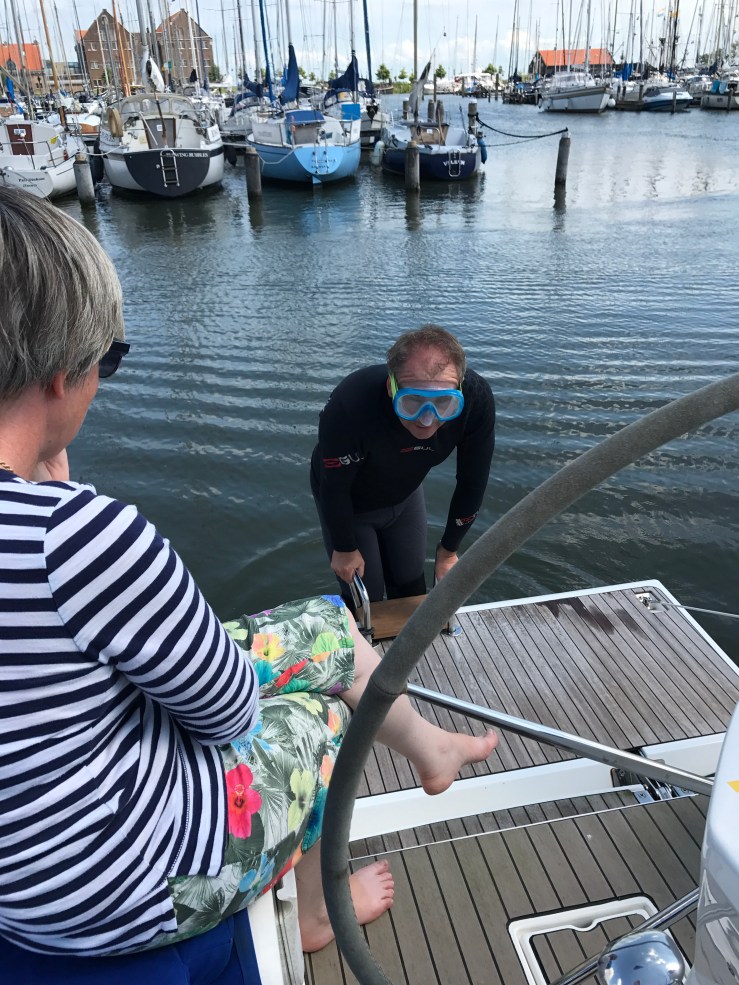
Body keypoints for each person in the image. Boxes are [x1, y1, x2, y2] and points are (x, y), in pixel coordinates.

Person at [0, 187, 498, 961]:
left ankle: (429, 746)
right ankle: (316, 911)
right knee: (324, 713)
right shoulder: (78, 535)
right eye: (108, 360)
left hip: (21, 885)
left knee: (331, 625)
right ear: (63, 372)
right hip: (125, 888)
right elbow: (226, 713)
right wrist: (61, 496)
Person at [310, 325, 496, 606]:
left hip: (405, 495)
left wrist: (448, 551)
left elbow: (473, 481)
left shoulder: (476, 400)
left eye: (443, 403)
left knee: (411, 588)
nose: (426, 420)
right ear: (391, 388)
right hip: (350, 500)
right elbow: (333, 485)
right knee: (368, 599)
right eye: (412, 402)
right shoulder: (351, 404)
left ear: (460, 389)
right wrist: (344, 547)